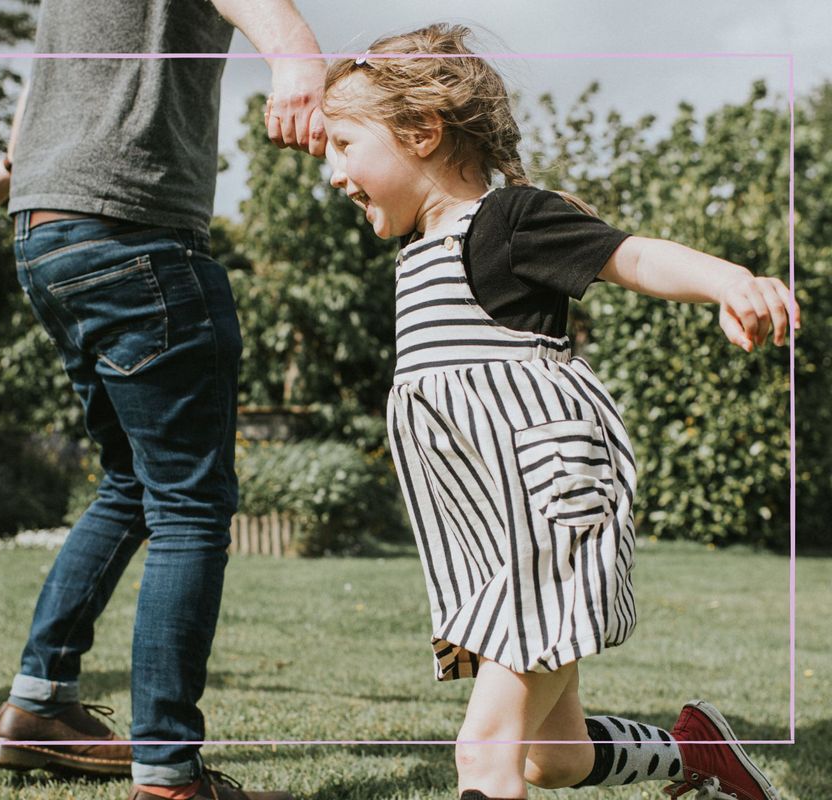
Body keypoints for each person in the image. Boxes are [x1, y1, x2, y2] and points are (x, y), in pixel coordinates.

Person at [317, 24, 795, 800]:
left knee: (486, 755)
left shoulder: (507, 221)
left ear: (422, 133)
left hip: (547, 519)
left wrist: (729, 281)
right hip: (494, 542)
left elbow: (629, 255)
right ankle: (697, 753)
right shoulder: (420, 251)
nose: (333, 173)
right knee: (553, 758)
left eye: (343, 144)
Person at [0, 1, 324, 798]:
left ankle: (38, 704)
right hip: (134, 227)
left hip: (46, 230)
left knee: (130, 482)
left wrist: (7, 171)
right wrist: (296, 57)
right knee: (191, 504)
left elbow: (42, 95)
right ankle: (168, 771)